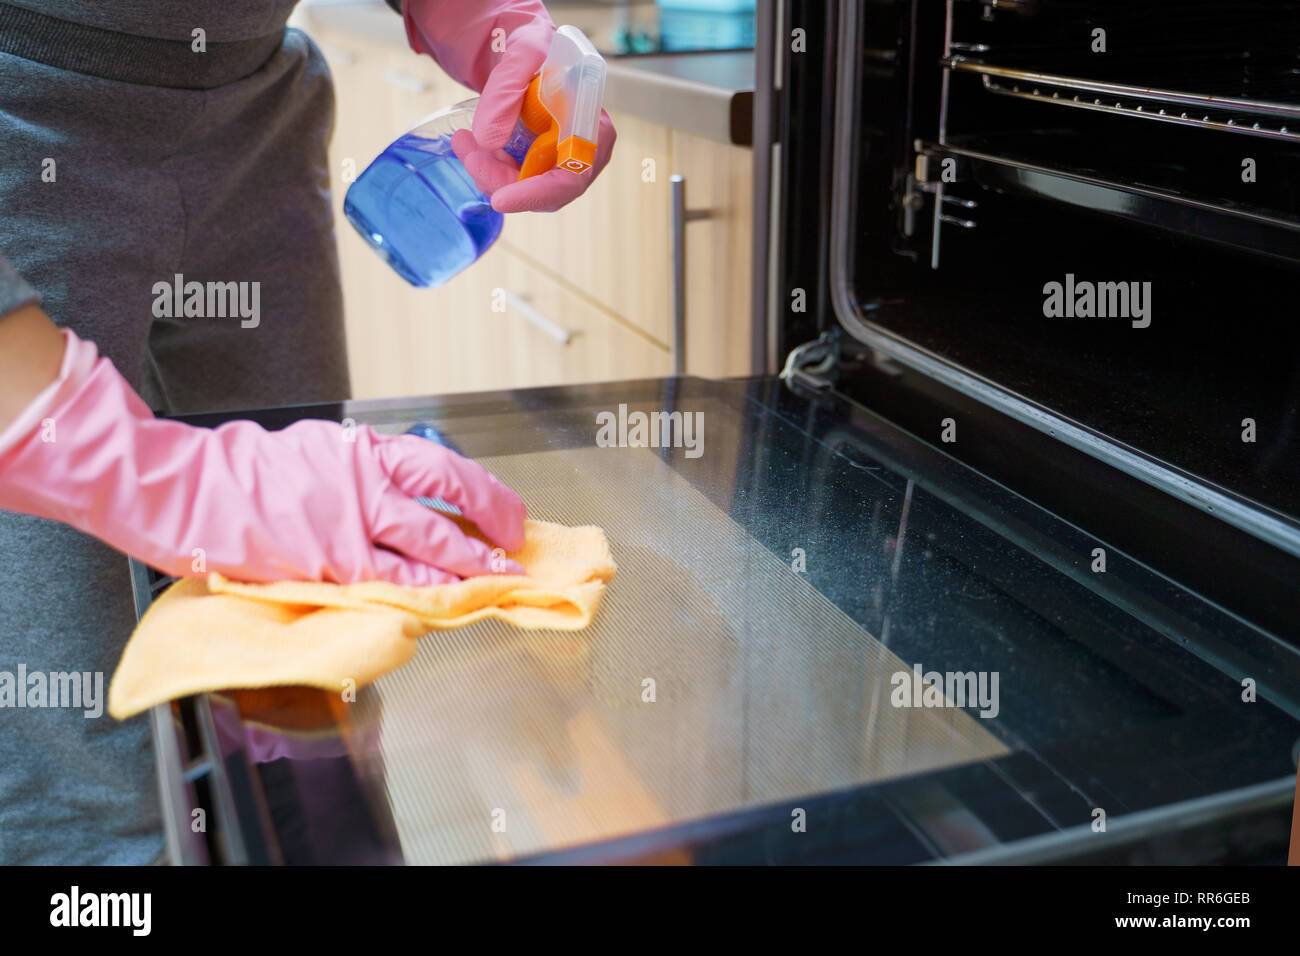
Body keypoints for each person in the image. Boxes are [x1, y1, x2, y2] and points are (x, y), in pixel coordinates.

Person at [0, 0, 616, 864]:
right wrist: (139, 474)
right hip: (20, 129)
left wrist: (477, 13)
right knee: (77, 738)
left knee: (317, 649)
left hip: (255, 122)